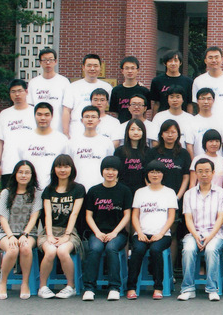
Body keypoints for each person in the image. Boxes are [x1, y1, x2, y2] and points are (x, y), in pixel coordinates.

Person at [81, 156, 133, 301]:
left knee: (111, 248)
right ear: (102, 171)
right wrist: (97, 232)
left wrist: (114, 232)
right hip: (97, 232)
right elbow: (88, 216)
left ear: (118, 172)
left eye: (114, 169)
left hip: (118, 234)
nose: (110, 172)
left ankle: (114, 287)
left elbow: (127, 215)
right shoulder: (93, 191)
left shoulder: (124, 191)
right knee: (95, 249)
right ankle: (89, 288)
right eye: (107, 169)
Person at [126, 160, 178, 300]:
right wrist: (139, 232)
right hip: (141, 233)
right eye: (152, 172)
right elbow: (135, 216)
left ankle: (158, 287)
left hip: (163, 235)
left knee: (155, 250)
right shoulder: (140, 192)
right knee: (138, 250)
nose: (155, 175)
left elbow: (171, 217)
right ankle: (131, 287)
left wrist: (160, 234)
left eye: (158, 172)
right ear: (147, 174)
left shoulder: (169, 192)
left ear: (163, 174)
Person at [178, 158, 223, 302]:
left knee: (211, 250)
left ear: (213, 173)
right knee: (188, 249)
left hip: (215, 234)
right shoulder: (189, 194)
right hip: (194, 233)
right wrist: (196, 236)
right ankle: (188, 289)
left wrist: (209, 237)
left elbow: (220, 218)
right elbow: (188, 219)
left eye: (207, 171)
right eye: (200, 171)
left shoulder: (221, 193)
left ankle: (212, 289)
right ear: (196, 173)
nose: (204, 174)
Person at [37, 154, 86, 299]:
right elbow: (47, 215)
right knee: (50, 251)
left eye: (66, 166)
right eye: (59, 166)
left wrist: (66, 235)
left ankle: (70, 286)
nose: (62, 170)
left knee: (63, 251)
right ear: (54, 169)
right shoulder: (48, 190)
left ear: (72, 169)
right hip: (49, 231)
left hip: (70, 231)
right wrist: (50, 235)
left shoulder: (78, 189)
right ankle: (43, 287)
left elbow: (74, 214)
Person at [146, 119, 192, 270]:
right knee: (154, 231)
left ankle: (169, 270)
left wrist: (177, 196)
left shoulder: (183, 154)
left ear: (178, 134)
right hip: (154, 199)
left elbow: (186, 177)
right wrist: (153, 194)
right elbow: (146, 175)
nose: (170, 135)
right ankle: (154, 269)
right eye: (167, 132)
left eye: (173, 132)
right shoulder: (153, 152)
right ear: (161, 134)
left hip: (175, 199)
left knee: (171, 234)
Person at [0, 160, 42, 300]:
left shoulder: (37, 194)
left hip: (29, 233)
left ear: (32, 175)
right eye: (20, 172)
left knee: (25, 248)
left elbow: (34, 217)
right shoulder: (6, 193)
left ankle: (25, 283)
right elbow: (3, 218)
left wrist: (24, 234)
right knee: (12, 249)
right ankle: (3, 283)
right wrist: (10, 236)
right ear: (15, 174)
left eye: (27, 172)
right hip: (6, 233)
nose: (23, 175)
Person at [0, 79, 35, 188]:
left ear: (26, 92)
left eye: (20, 91)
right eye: (13, 91)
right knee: (8, 196)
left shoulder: (35, 113)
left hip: (31, 166)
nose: (17, 94)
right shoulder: (4, 114)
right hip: (9, 166)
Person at [16, 102, 69, 190]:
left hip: (54, 189)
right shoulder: (24, 139)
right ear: (34, 116)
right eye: (39, 114)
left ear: (52, 116)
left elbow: (67, 166)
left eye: (46, 115)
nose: (43, 118)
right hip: (30, 189)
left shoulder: (62, 140)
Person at [63, 54, 112, 137]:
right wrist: (66, 132)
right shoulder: (73, 87)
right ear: (83, 67)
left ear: (100, 67)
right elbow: (66, 110)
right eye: (89, 66)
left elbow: (110, 110)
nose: (92, 68)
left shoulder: (107, 87)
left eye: (95, 66)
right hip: (77, 130)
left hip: (100, 130)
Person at [69, 106, 115, 191]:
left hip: (100, 188)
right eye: (87, 117)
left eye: (93, 117)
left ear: (99, 121)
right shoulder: (73, 142)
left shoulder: (107, 142)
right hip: (77, 188)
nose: (90, 119)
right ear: (81, 120)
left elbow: (110, 165)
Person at [27, 47, 70, 132]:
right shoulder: (33, 83)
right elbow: (30, 107)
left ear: (55, 61)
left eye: (50, 60)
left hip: (58, 129)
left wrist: (65, 129)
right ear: (40, 62)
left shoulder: (64, 82)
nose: (48, 63)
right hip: (37, 130)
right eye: (44, 60)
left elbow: (67, 108)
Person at [191, 46, 223, 121]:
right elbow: (196, 105)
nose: (214, 60)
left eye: (216, 57)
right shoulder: (198, 81)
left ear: (222, 59)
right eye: (210, 57)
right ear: (205, 61)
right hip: (204, 124)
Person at [151, 85, 195, 152]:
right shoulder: (159, 117)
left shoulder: (190, 118)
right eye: (171, 97)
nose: (175, 100)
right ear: (167, 99)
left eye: (178, 97)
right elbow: (155, 141)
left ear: (183, 99)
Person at [187, 88, 223, 158]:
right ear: (197, 101)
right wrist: (193, 162)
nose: (206, 102)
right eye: (202, 99)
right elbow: (189, 145)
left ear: (213, 101)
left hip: (218, 161)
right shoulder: (191, 121)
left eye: (209, 99)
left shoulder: (220, 121)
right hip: (199, 162)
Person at [150, 50, 194, 114]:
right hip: (163, 117)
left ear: (180, 63)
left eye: (176, 61)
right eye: (170, 61)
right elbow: (156, 104)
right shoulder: (157, 81)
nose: (173, 63)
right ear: (165, 63)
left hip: (182, 117)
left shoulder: (188, 82)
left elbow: (189, 104)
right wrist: (155, 119)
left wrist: (190, 118)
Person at [110, 56, 151, 123]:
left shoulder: (144, 91)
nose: (130, 71)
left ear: (138, 70)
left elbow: (145, 113)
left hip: (139, 126)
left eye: (132, 68)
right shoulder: (116, 91)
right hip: (121, 125)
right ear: (122, 71)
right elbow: (115, 113)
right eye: (127, 68)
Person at [114, 119, 149, 193]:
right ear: (127, 131)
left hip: (142, 190)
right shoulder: (119, 151)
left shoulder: (148, 151)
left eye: (139, 129)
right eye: (132, 129)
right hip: (123, 190)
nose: (135, 132)